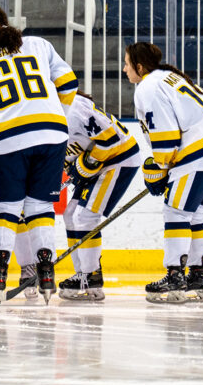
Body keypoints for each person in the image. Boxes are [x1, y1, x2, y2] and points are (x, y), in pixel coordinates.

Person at [0, 3, 78, 305]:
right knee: (40, 207)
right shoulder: (38, 44)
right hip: (53, 133)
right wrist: (55, 116)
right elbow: (68, 83)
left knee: (6, 209)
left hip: (8, 136)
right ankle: (46, 269)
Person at [125, 42, 203, 304]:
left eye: (127, 63)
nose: (124, 68)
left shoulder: (148, 87)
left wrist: (158, 169)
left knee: (175, 211)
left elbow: (165, 136)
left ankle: (176, 275)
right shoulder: (169, 77)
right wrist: (163, 169)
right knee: (196, 212)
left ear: (139, 67)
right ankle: (198, 274)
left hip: (199, 154)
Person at [58, 91, 144, 301]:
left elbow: (111, 140)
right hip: (97, 164)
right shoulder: (42, 115)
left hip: (118, 159)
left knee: (85, 217)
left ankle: (92, 275)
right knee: (70, 214)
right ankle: (83, 274)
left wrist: (86, 165)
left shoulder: (75, 108)